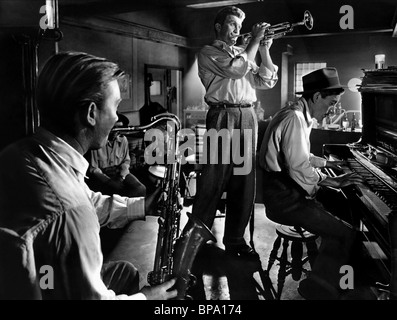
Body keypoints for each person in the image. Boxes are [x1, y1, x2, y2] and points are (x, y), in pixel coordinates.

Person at [0, 51, 176, 300]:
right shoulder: (70, 214)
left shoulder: (23, 152)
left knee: (124, 272)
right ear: (91, 113)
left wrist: (141, 206)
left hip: (33, 276)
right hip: (45, 288)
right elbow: (73, 209)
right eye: (115, 106)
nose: (117, 117)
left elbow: (86, 200)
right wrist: (148, 298)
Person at [170, 5, 278, 299]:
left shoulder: (247, 51)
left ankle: (235, 240)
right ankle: (192, 240)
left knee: (244, 182)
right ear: (218, 27)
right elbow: (236, 69)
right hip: (222, 116)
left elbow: (266, 80)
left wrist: (265, 48)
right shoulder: (208, 52)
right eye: (231, 24)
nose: (236, 30)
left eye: (239, 25)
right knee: (213, 181)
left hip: (247, 117)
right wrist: (253, 42)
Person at [259, 67, 366, 299]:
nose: (332, 110)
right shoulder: (294, 119)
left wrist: (329, 164)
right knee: (344, 234)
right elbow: (300, 168)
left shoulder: (298, 114)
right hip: (285, 199)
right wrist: (333, 182)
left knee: (342, 210)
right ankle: (320, 288)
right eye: (331, 103)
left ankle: (328, 277)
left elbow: (302, 156)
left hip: (289, 191)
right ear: (317, 96)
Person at [86, 112, 147, 198]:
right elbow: (94, 169)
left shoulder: (123, 140)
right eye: (114, 128)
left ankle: (134, 209)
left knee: (141, 189)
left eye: (120, 129)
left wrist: (121, 177)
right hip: (103, 175)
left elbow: (126, 162)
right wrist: (109, 181)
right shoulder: (97, 142)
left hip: (120, 173)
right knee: (118, 192)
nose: (116, 132)